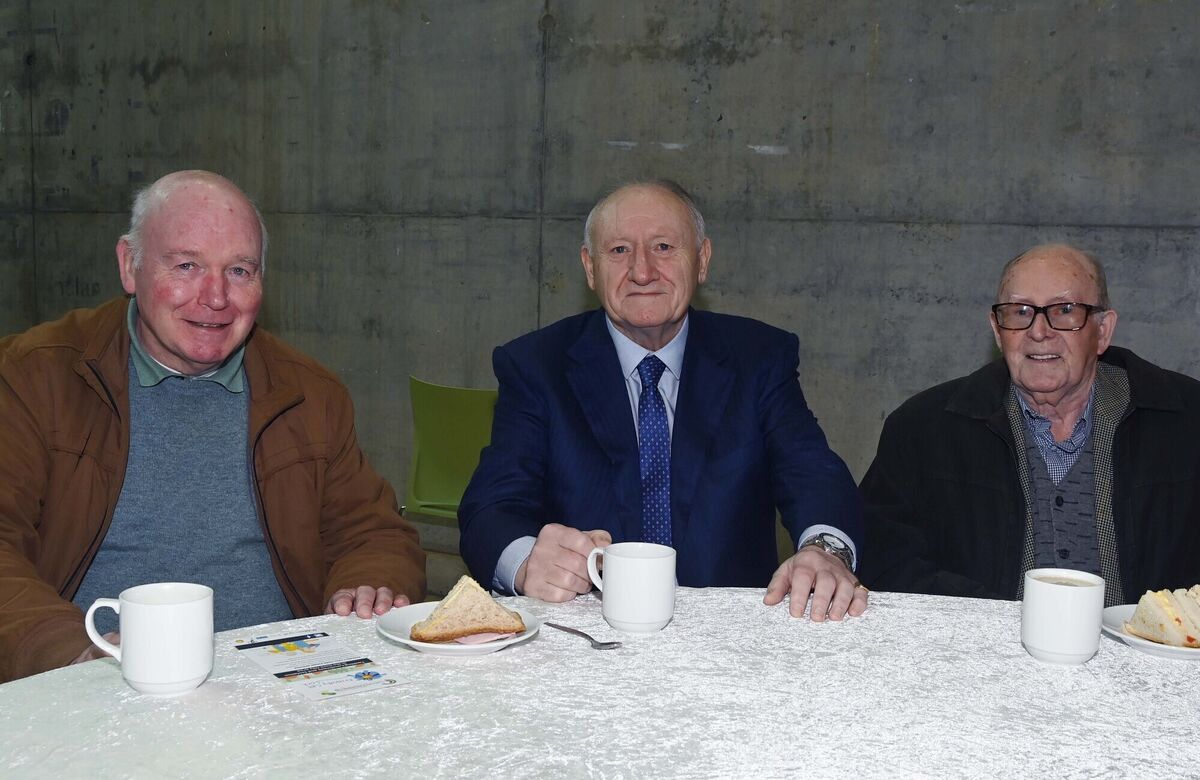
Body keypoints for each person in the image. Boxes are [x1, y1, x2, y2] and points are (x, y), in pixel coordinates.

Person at [0, 170, 425, 682]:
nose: (216, 297)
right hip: (104, 680)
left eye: (240, 271)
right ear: (129, 266)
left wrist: (368, 583)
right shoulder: (33, 377)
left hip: (279, 684)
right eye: (186, 265)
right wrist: (70, 651)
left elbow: (370, 528)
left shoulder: (309, 393)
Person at [458, 180, 867, 621]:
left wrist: (826, 552)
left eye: (664, 247)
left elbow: (814, 474)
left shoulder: (759, 358)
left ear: (703, 260)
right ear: (589, 268)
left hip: (731, 634)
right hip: (588, 634)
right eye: (618, 251)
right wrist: (526, 563)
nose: (643, 272)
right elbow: (490, 509)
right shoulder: (536, 366)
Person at [859, 243, 1200, 604]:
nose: (1039, 331)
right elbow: (883, 556)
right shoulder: (923, 429)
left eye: (1065, 310)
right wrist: (992, 622)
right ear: (997, 329)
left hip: (1147, 656)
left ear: (1102, 331)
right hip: (981, 653)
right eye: (1020, 312)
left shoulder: (1186, 421)